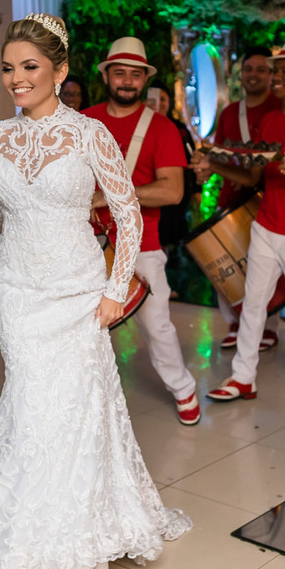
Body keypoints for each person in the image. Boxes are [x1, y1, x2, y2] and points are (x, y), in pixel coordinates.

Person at [0, 14, 190, 569]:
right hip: (15, 291)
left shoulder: (89, 134)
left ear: (60, 71)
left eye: (29, 67)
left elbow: (127, 213)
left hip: (78, 291)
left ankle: (78, 526)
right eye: (8, 68)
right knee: (31, 401)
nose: (16, 78)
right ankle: (23, 524)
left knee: (76, 405)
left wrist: (112, 290)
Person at [198, 38, 285, 409]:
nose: (275, 76)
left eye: (283, 71)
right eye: (274, 70)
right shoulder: (271, 120)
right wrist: (214, 164)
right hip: (266, 227)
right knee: (253, 305)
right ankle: (243, 377)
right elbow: (254, 179)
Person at [83, 38, 201, 426]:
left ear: (144, 79)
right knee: (82, 326)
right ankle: (84, 398)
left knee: (157, 324)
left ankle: (183, 389)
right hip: (84, 244)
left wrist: (110, 196)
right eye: (120, 72)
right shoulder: (83, 121)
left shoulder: (162, 128)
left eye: (136, 74)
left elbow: (173, 190)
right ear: (106, 75)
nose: (128, 81)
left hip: (141, 246)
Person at [208, 49, 282, 351]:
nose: (253, 75)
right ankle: (234, 324)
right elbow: (218, 154)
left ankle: (268, 326)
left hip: (270, 202)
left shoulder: (279, 110)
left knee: (266, 268)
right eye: (249, 69)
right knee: (226, 263)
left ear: (271, 74)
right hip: (232, 199)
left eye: (261, 70)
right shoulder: (229, 114)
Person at [145, 80, 196, 253]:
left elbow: (192, 160)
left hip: (172, 198)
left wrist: (196, 190)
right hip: (145, 194)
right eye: (153, 99)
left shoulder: (179, 128)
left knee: (166, 240)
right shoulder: (138, 127)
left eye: (163, 99)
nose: (158, 104)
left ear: (169, 102)